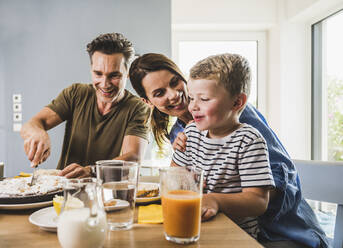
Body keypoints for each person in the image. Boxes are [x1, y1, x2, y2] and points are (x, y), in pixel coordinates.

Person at [129, 53, 329, 248]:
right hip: (218, 224)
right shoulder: (182, 132)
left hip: (278, 231)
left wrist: (215, 195)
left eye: (174, 82)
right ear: (148, 102)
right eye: (159, 93)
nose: (173, 94)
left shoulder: (237, 121)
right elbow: (182, 178)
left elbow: (273, 184)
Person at [172, 53, 275, 239]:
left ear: (237, 102)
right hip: (195, 225)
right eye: (191, 98)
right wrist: (186, 179)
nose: (193, 107)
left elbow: (258, 201)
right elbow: (174, 175)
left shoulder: (249, 140)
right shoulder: (191, 132)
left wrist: (215, 200)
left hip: (236, 235)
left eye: (204, 99)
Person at [20, 33, 150, 178]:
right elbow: (31, 125)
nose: (105, 84)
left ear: (127, 73)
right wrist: (38, 133)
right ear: (91, 69)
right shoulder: (75, 93)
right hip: (64, 191)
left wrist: (91, 170)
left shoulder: (138, 108)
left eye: (114, 75)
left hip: (108, 194)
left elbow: (133, 158)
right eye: (98, 73)